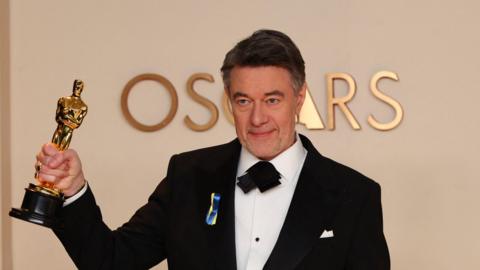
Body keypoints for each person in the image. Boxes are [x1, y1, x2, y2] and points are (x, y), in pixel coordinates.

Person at [36, 29, 390, 270]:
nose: (257, 118)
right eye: (243, 100)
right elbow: (110, 261)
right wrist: (72, 191)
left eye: (272, 99)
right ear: (229, 102)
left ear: (298, 100)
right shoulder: (188, 177)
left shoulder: (354, 196)